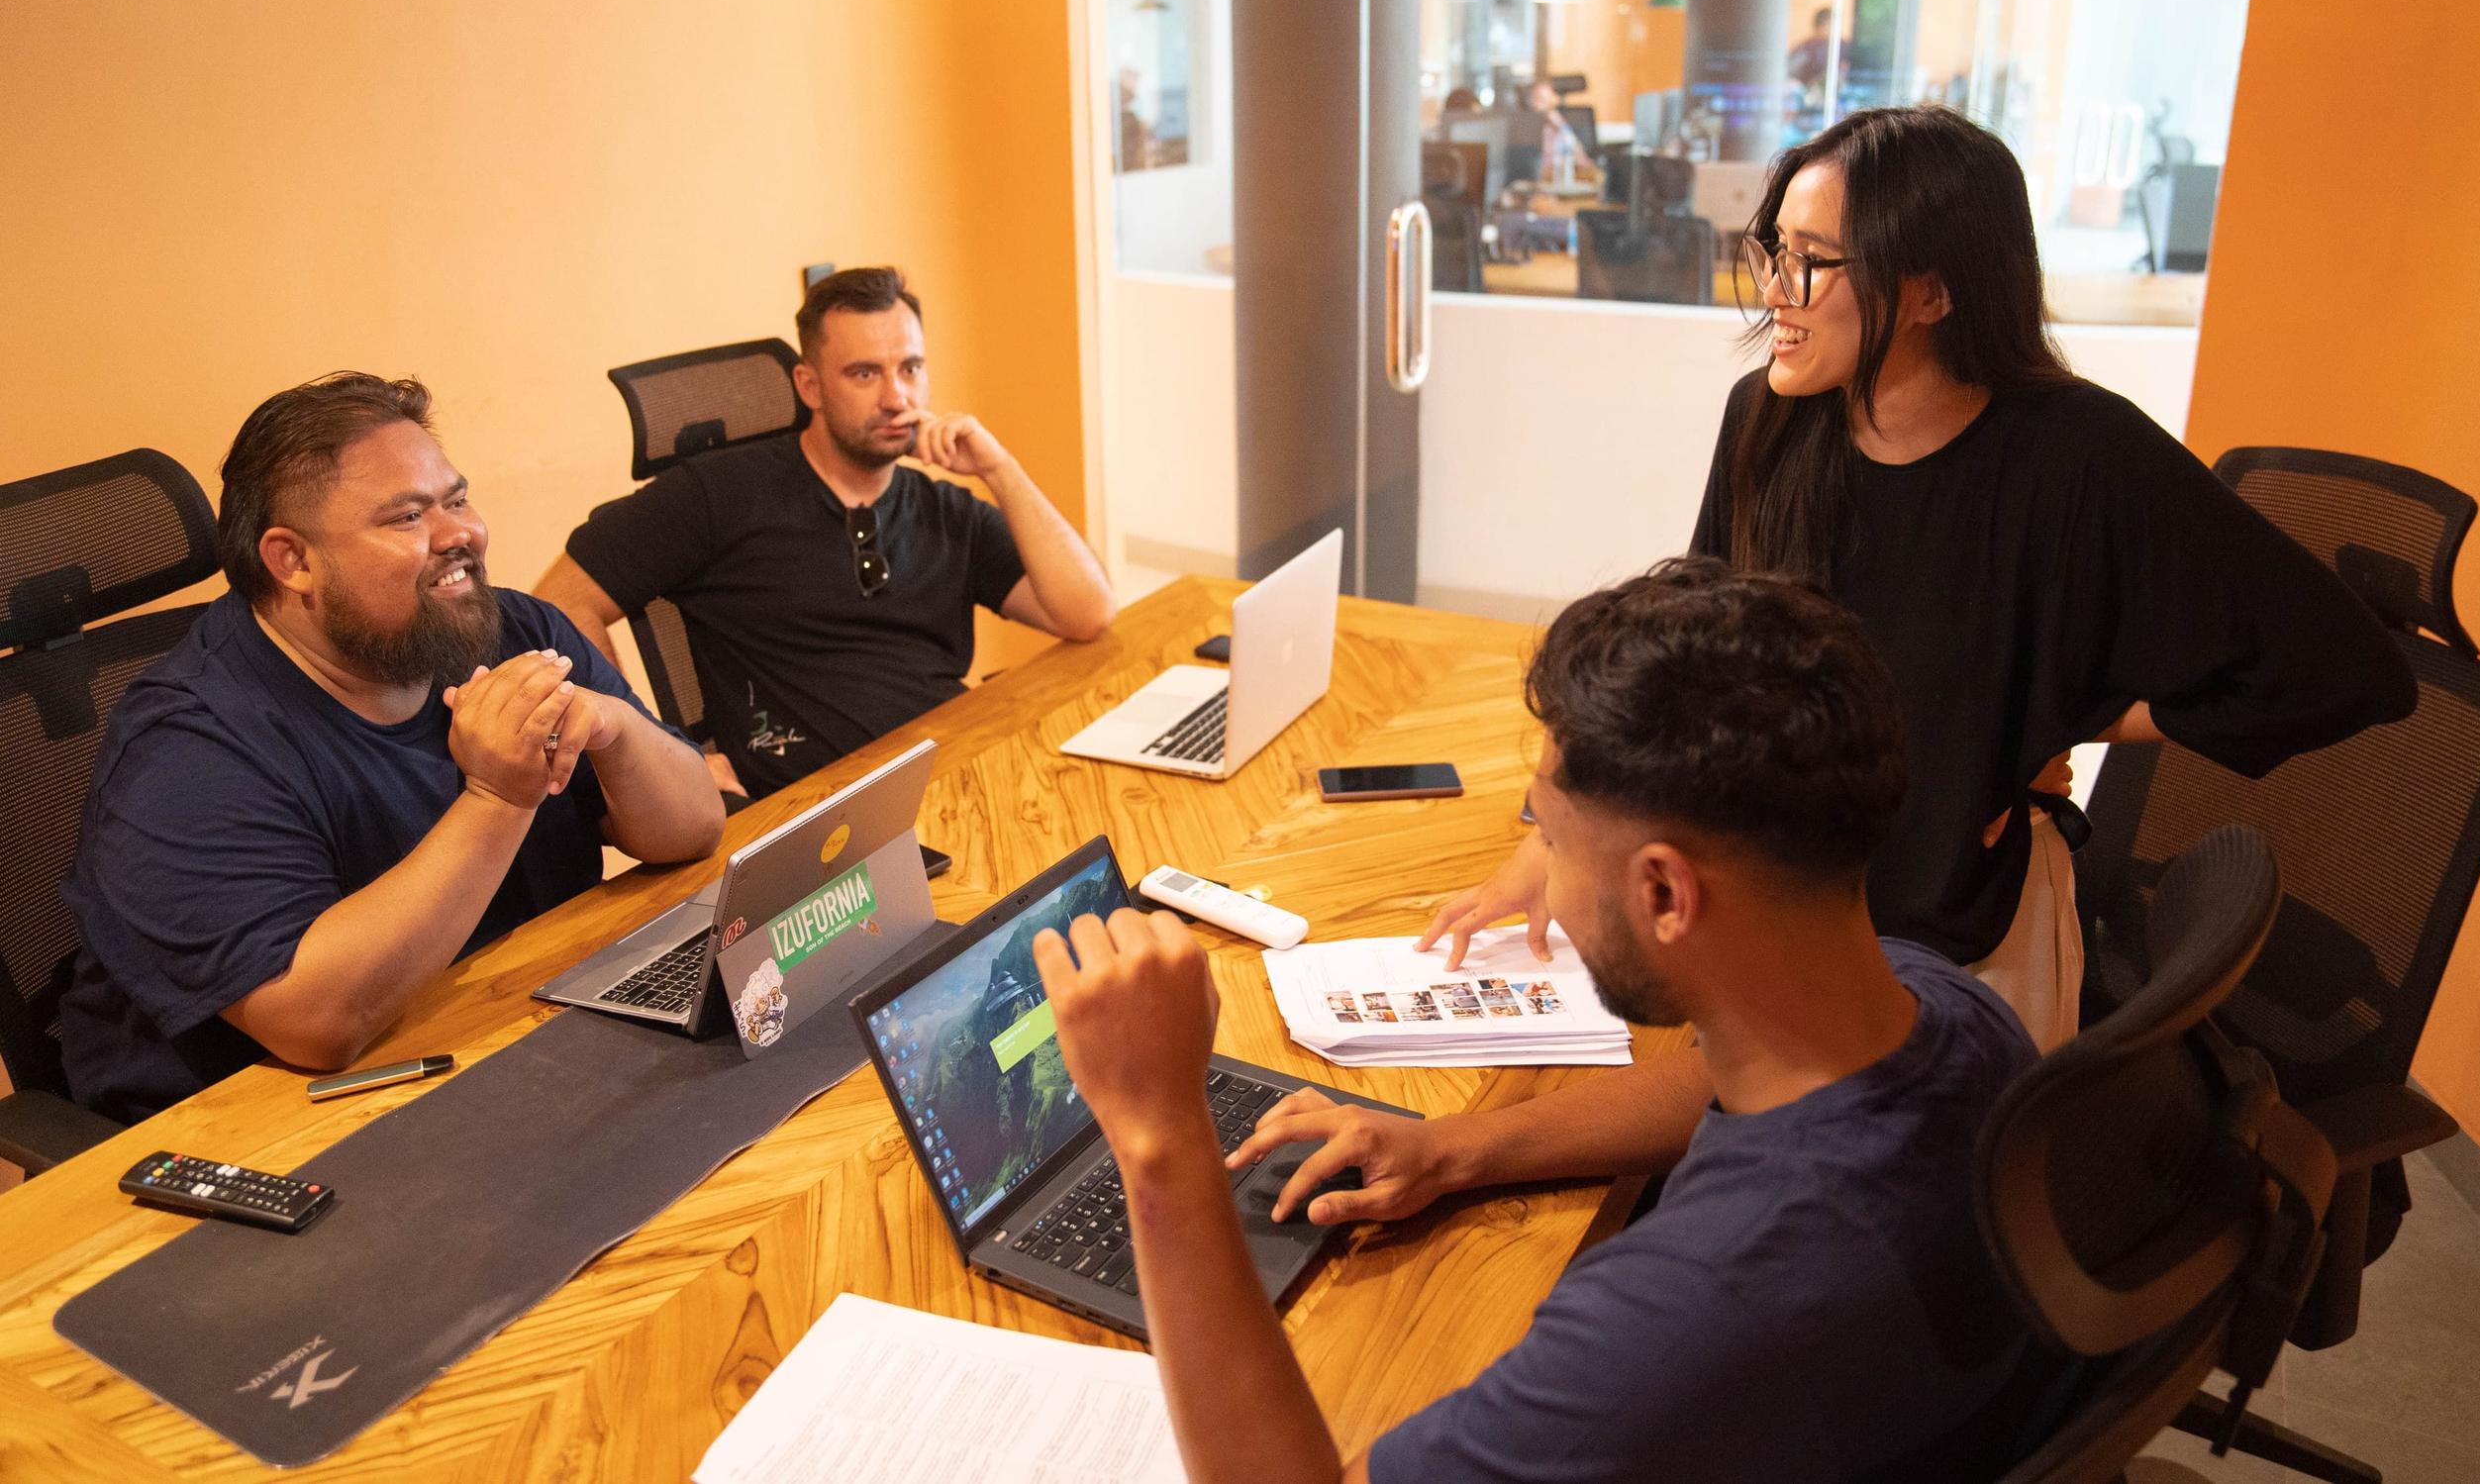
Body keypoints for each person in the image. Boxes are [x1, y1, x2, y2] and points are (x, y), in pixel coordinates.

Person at [1035, 559, 2067, 1483]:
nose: (1548, 891)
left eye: (1553, 840)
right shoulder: (1949, 1011)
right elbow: (1716, 1079)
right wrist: (1455, 1149)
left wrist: (1160, 1132)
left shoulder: (1686, 1316)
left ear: (1665, 892)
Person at [1427, 105, 2414, 1048]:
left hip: (1949, 937)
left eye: (1810, 261)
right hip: (1771, 898)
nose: (1775, 286)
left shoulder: (2081, 455)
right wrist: (1550, 846)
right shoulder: (1768, 419)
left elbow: (2342, 669)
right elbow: (1689, 664)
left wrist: (2059, 709)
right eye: (1771, 250)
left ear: (1933, 293)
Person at [59, 374, 724, 1123]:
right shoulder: (185, 749)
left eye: (457, 500)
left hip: (517, 1035)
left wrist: (616, 729)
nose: (459, 535)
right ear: (293, 561)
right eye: (408, 516)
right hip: (273, 1124)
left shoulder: (516, 632)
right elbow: (319, 1023)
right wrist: (498, 797)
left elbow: (694, 829)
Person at [536, 266, 1116, 800]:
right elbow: (561, 603)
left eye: (910, 369)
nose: (897, 398)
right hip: (817, 820)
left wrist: (1000, 469)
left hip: (958, 780)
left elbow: (1086, 613)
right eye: (865, 373)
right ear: (809, 386)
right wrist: (664, 752)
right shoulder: (718, 494)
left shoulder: (945, 509)